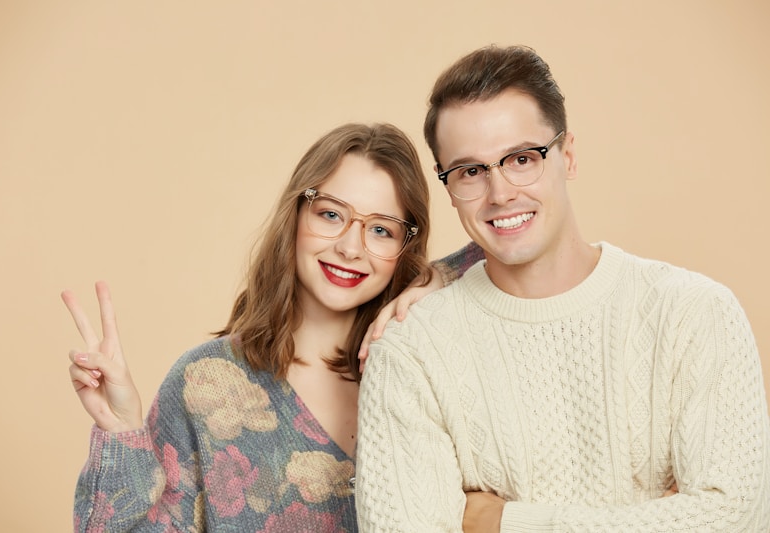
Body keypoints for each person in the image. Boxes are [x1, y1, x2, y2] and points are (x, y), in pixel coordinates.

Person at [355, 45, 770, 531]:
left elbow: (736, 518)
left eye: (522, 159)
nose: (501, 192)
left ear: (567, 155)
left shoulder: (695, 314)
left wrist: (504, 522)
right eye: (470, 171)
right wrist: (664, 516)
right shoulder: (411, 351)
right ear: (448, 187)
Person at [61, 122, 434, 532]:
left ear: (406, 247)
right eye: (331, 214)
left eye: (381, 229)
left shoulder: (425, 373)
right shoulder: (205, 384)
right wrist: (123, 432)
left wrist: (438, 278)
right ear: (295, 214)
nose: (349, 247)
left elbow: (503, 248)